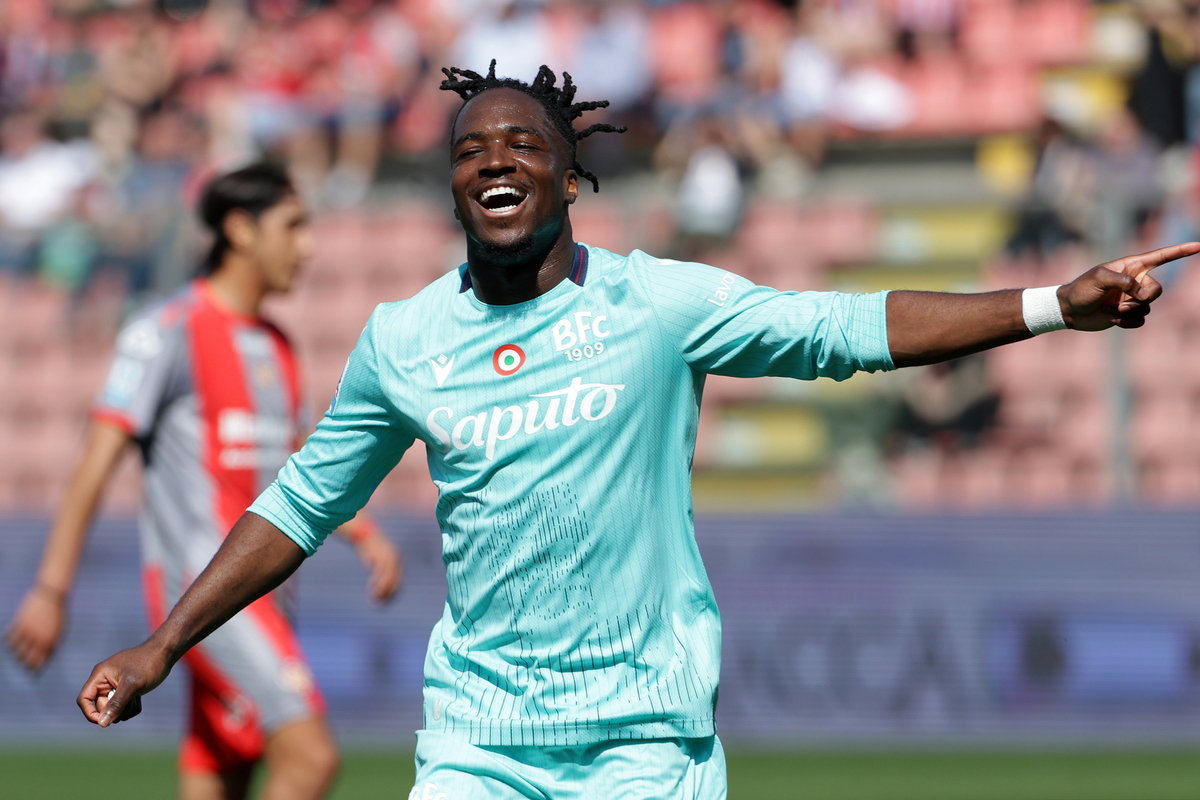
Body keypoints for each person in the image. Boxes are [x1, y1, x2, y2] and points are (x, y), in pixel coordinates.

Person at [77, 64, 1198, 799]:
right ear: (455, 187)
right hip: (478, 744)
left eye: (522, 145)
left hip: (644, 748)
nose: (496, 161)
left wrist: (1056, 304)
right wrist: (162, 644)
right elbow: (296, 506)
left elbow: (842, 327)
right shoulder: (403, 338)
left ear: (571, 177)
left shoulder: (655, 303)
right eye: (472, 151)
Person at [8, 163, 403, 800]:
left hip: (260, 589)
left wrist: (363, 534)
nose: (307, 247)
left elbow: (293, 459)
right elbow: (95, 462)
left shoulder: (275, 343)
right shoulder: (166, 329)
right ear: (241, 230)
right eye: (293, 226)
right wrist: (52, 589)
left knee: (220, 771)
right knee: (310, 758)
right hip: (199, 586)